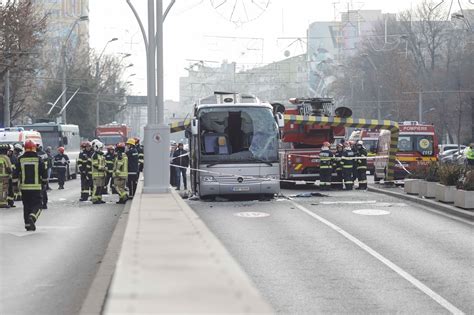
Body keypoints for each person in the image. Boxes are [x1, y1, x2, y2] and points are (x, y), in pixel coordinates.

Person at [12, 140, 48, 231]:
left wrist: (15, 186)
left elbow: (15, 174)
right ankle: (33, 217)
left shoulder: (20, 159)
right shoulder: (39, 159)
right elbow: (44, 173)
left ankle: (28, 224)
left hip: (24, 188)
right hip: (36, 188)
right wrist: (44, 184)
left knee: (26, 205)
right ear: (34, 148)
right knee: (38, 205)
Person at [91, 140, 106, 204]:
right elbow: (95, 165)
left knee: (101, 187)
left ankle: (99, 198)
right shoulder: (95, 155)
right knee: (96, 187)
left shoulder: (101, 155)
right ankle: (94, 199)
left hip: (102, 174)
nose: (102, 149)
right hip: (97, 174)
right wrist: (103, 168)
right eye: (101, 148)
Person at [36, 144, 49, 209]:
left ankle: (44, 203)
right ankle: (41, 203)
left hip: (42, 173)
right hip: (39, 173)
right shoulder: (35, 153)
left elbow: (46, 163)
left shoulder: (43, 154)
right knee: (41, 190)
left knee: (43, 189)